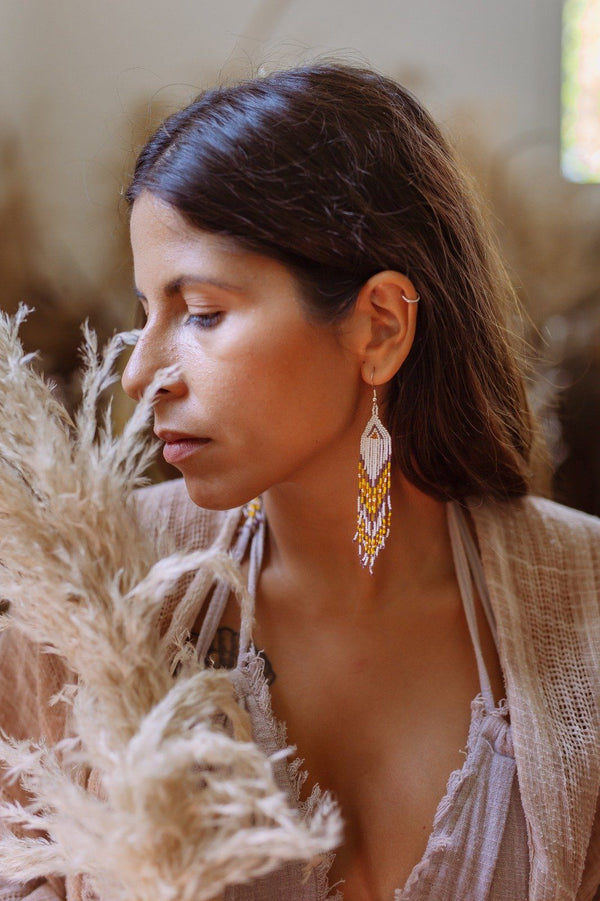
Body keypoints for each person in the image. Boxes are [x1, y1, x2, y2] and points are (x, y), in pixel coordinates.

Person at [1, 63, 599, 901]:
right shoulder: (90, 599)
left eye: (201, 313)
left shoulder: (583, 602)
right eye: (146, 313)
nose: (139, 373)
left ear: (380, 326)